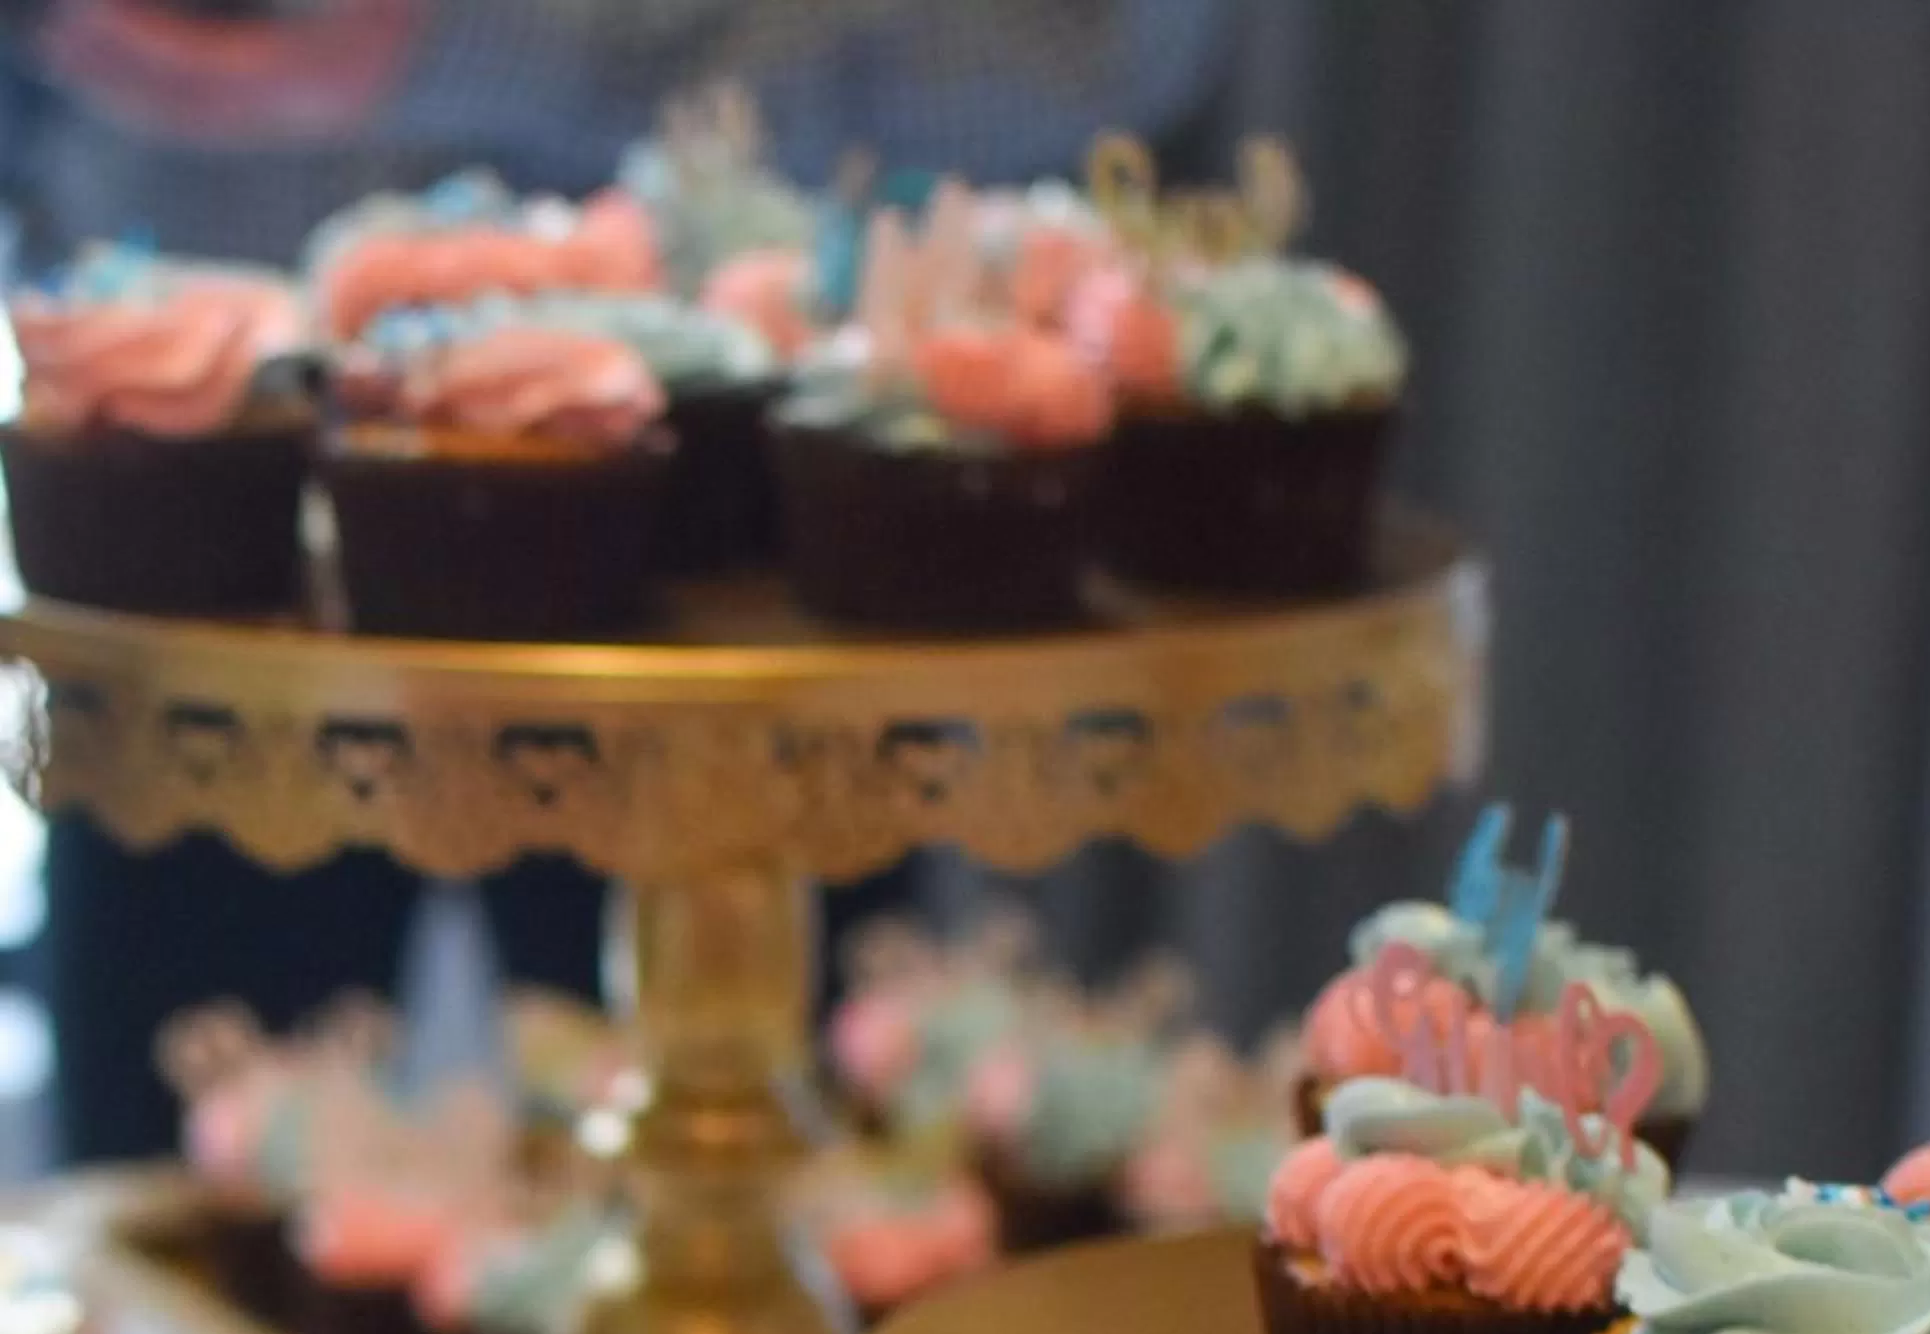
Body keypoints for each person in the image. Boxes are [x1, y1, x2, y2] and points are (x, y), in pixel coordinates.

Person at [3, 0, 1232, 1158]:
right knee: (182, 1253)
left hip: (706, 544)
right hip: (176, 518)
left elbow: (1103, 42)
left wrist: (480, 42)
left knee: (764, 1201)